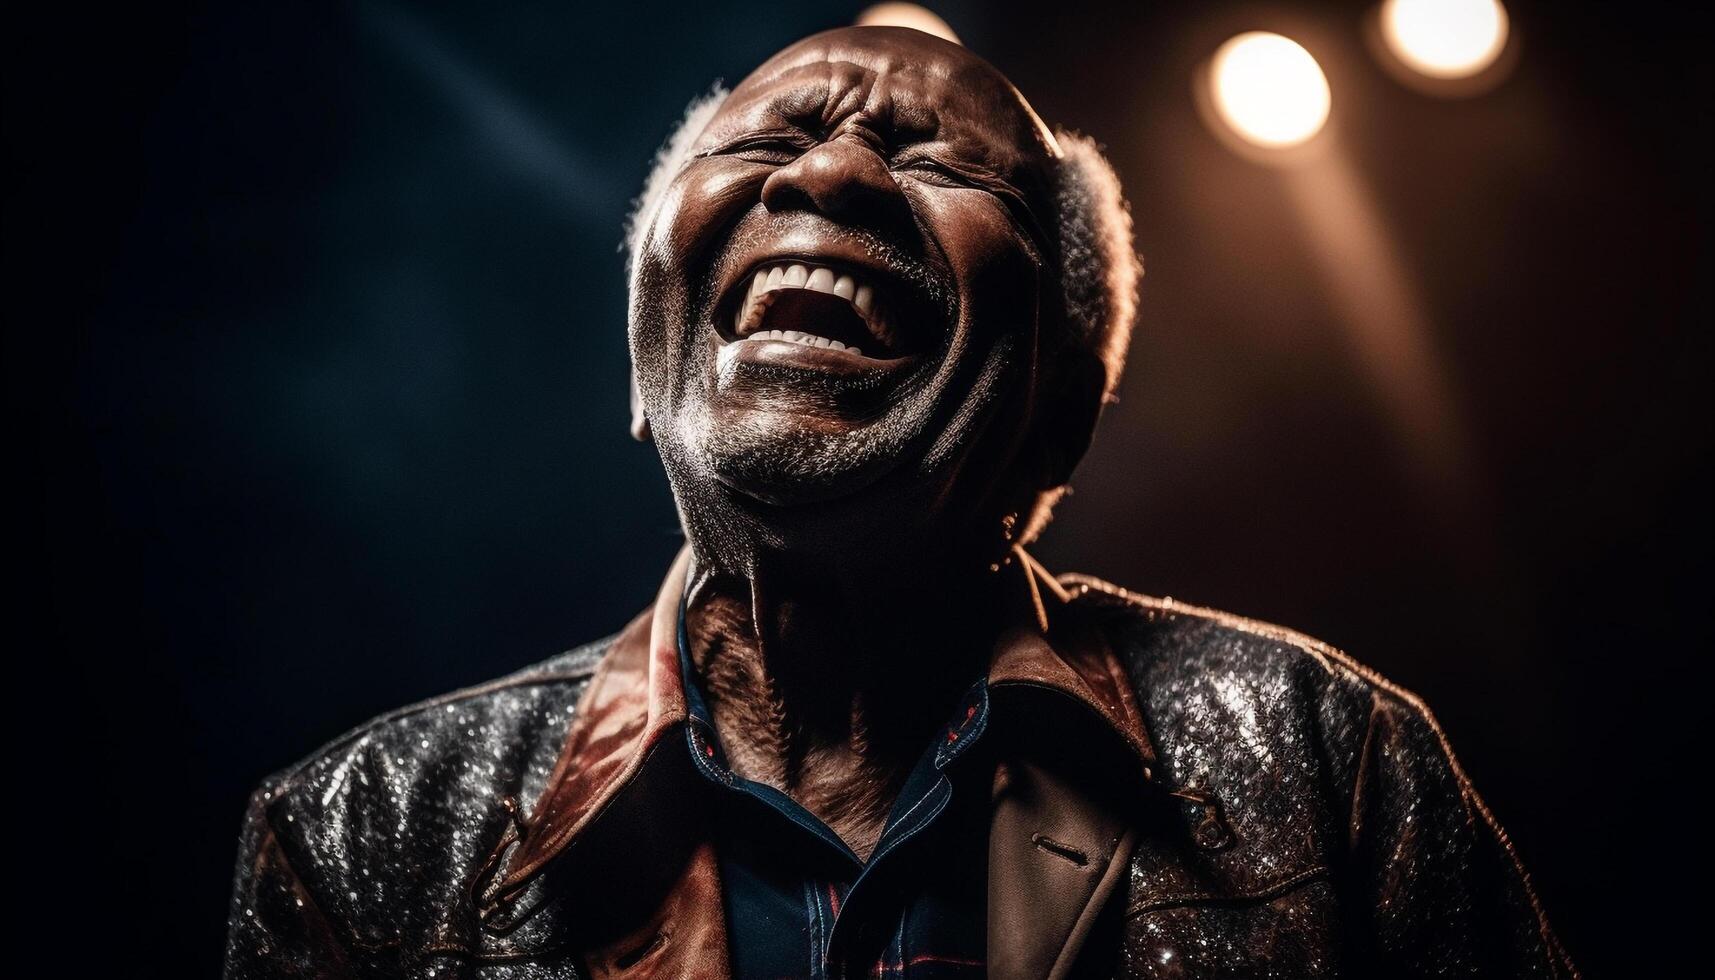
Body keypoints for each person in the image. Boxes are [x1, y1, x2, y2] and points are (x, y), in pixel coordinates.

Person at [225, 25, 1576, 979]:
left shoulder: (1331, 769)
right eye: (775, 137)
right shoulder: (364, 838)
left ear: (1056, 411)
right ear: (647, 363)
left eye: (941, 165)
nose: (831, 176)